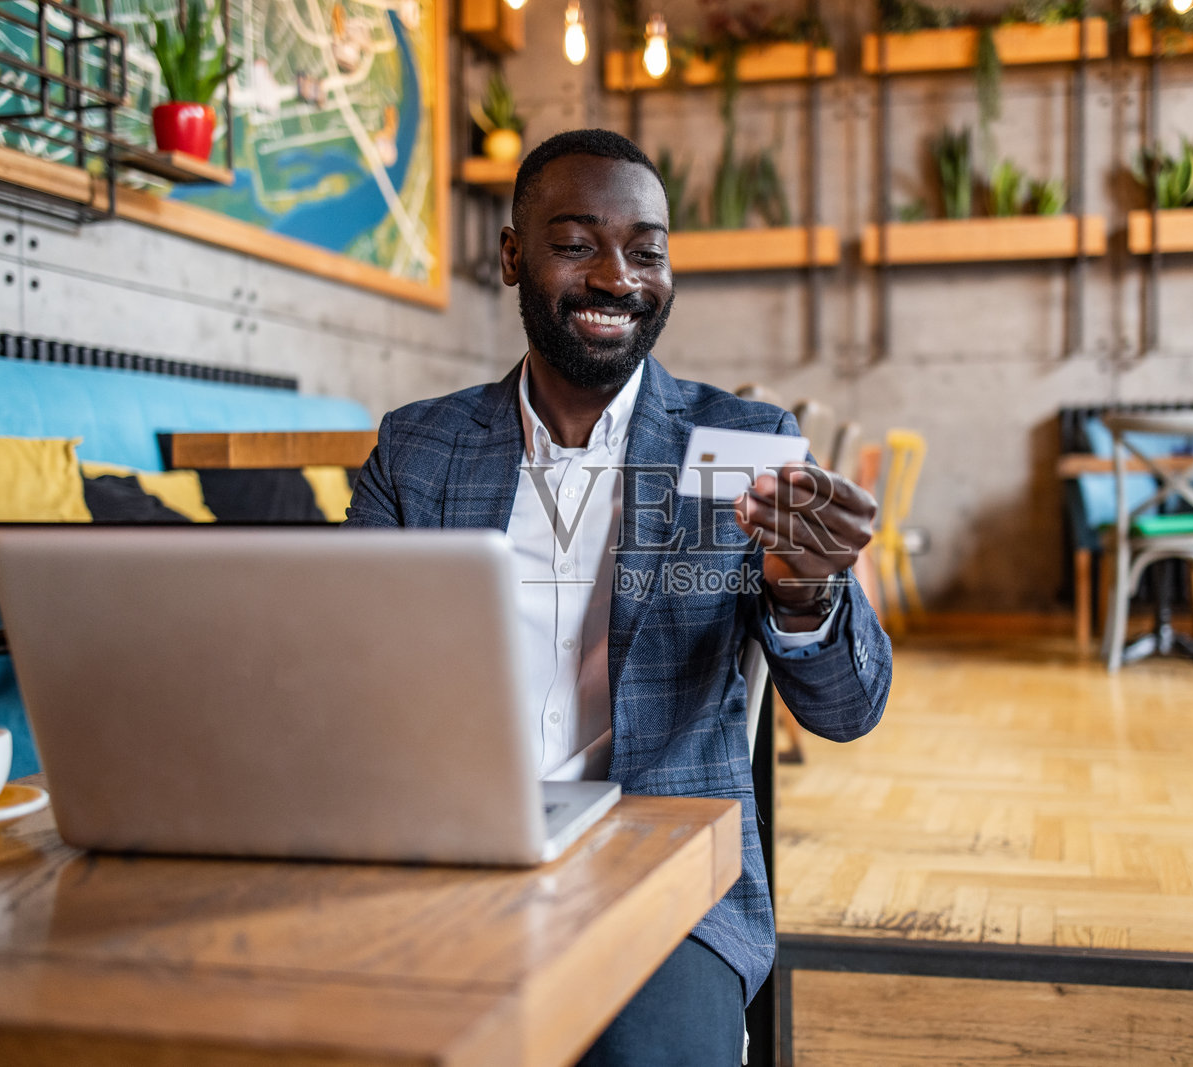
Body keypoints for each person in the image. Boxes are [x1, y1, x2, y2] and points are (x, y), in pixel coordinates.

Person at [346, 128, 891, 1065]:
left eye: (647, 250)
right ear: (512, 255)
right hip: (443, 852)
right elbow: (335, 662)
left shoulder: (742, 441)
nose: (616, 277)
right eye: (575, 243)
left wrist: (809, 596)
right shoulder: (417, 447)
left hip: (665, 881)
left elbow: (847, 711)